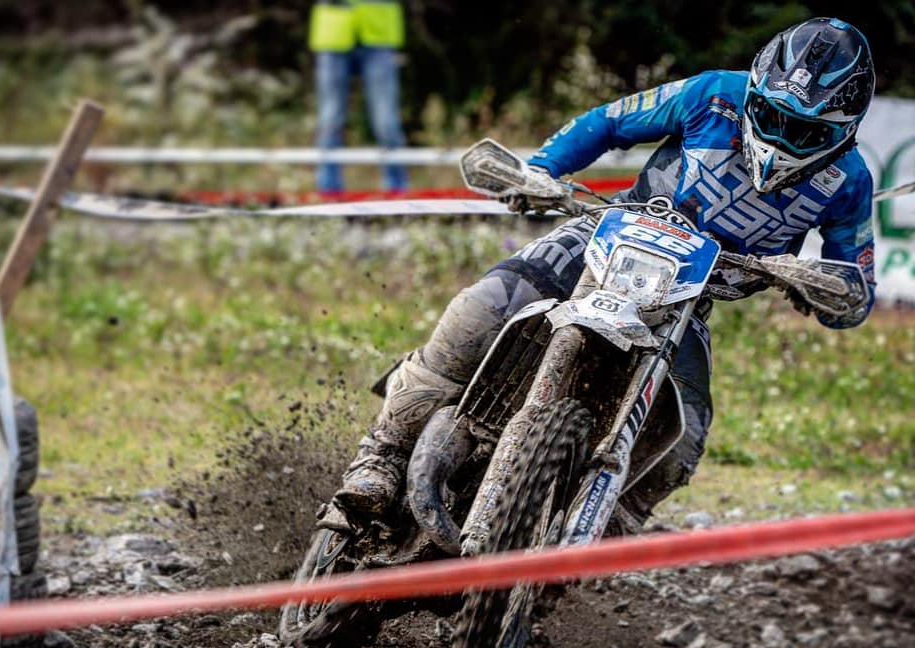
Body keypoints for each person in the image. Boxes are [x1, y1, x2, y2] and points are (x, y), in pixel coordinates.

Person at [328, 17, 876, 533]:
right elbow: (609, 122)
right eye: (773, 115)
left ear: (842, 131)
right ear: (754, 91)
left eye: (804, 131)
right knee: (481, 311)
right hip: (603, 241)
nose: (780, 137)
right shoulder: (711, 93)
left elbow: (857, 287)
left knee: (683, 441)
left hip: (685, 303)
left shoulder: (849, 183)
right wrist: (542, 171)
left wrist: (825, 285)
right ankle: (379, 457)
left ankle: (585, 551)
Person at [308, 0, 408, 193]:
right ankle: (328, 190)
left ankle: (397, 188)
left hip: (379, 34)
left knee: (386, 121)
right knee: (330, 118)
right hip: (333, 33)